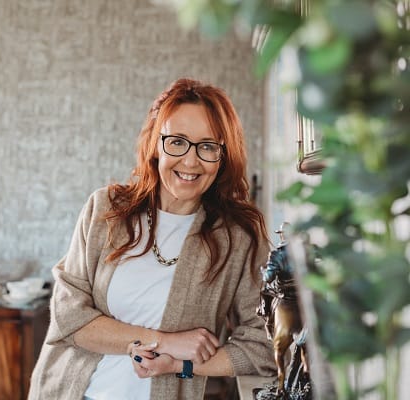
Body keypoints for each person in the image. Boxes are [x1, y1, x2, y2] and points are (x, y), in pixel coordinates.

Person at [28, 78, 275, 400]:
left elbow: (265, 341)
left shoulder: (238, 236)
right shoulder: (106, 210)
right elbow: (68, 316)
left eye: (208, 146)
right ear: (155, 145)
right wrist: (162, 340)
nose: (190, 161)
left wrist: (183, 365)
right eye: (177, 141)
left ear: (223, 156)